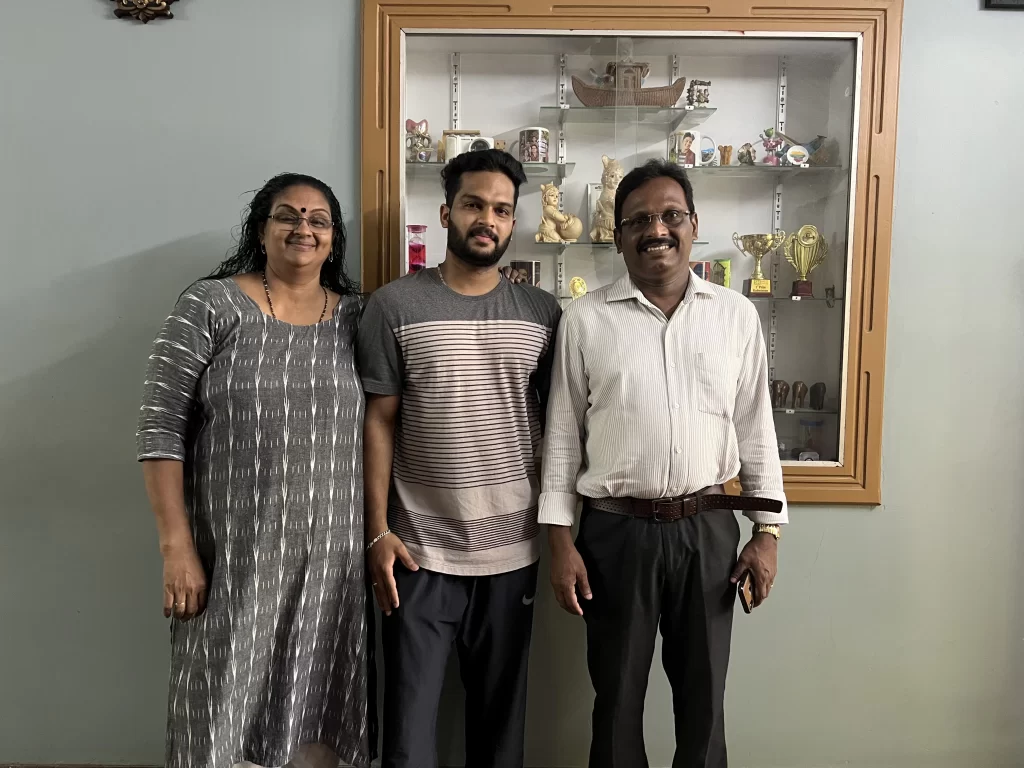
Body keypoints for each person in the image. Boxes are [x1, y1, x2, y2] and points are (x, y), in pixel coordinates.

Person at [539, 159, 787, 768]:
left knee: (704, 703)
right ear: (619, 235)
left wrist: (768, 533)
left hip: (707, 533)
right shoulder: (585, 319)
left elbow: (757, 428)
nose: (658, 229)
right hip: (614, 534)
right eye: (640, 219)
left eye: (671, 215)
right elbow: (563, 434)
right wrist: (560, 541)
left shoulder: (736, 316)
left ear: (693, 225)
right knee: (617, 700)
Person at [137, 173, 373, 768]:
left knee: (319, 713)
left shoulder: (360, 319)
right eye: (287, 215)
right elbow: (160, 427)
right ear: (261, 229)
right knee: (218, 715)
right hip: (233, 560)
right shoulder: (212, 304)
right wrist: (175, 547)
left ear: (334, 237)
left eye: (319, 219)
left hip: (333, 571)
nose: (304, 228)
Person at [357, 149, 561, 768]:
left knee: (500, 736)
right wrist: (377, 534)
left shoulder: (542, 314)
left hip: (512, 554)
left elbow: (560, 430)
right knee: (408, 738)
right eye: (475, 204)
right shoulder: (392, 307)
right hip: (417, 555)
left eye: (502, 209)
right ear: (446, 211)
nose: (488, 220)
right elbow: (378, 422)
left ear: (514, 222)